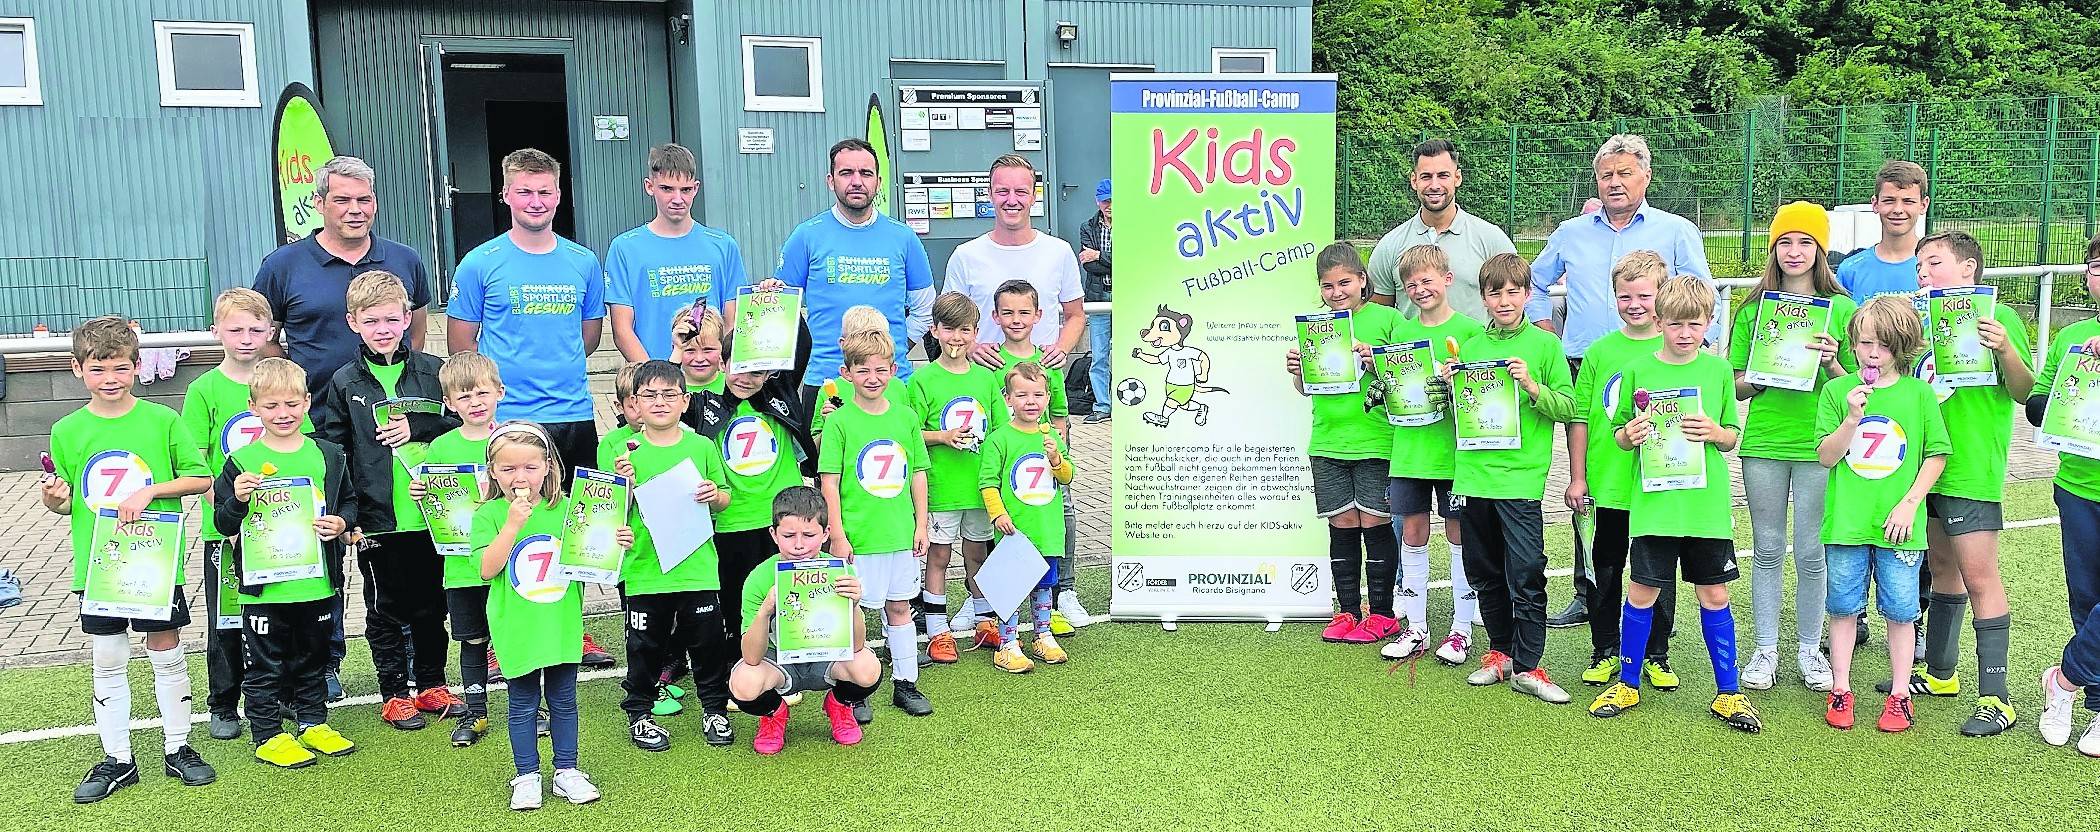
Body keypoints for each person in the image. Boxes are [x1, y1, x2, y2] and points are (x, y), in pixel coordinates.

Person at [1526, 134, 1713, 627]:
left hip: (1659, 368)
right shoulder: (1570, 231)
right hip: (1588, 366)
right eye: (1606, 174)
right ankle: (1588, 591)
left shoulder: (1676, 231)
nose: (1615, 182)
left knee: (1653, 483)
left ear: (1645, 177)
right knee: (1589, 487)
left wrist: (1692, 354)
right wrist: (1545, 324)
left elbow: (1703, 294)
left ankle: (1656, 606)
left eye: (1625, 173)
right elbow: (1534, 281)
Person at [43, 316, 214, 802]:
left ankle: (178, 747)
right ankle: (118, 759)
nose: (110, 378)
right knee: (108, 656)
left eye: (120, 367)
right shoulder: (66, 429)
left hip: (155, 562)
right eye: (98, 369)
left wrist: (151, 490)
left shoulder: (163, 420)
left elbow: (200, 479)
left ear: (137, 367)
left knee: (166, 650)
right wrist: (53, 498)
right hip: (100, 564)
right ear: (78, 370)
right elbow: (68, 501)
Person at [1588, 274, 1760, 733]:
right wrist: (1632, 434)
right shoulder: (1640, 370)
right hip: (1655, 507)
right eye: (1676, 324)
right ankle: (1627, 682)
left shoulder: (1718, 371)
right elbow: (1621, 433)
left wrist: (1715, 432)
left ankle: (1729, 692)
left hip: (1704, 508)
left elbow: (1730, 437)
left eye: (1696, 324)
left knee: (1715, 594)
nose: (1685, 333)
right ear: (1660, 321)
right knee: (1642, 592)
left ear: (1709, 322)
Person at [313, 270, 464, 733]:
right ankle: (394, 691)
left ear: (407, 318)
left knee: (432, 604)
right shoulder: (343, 381)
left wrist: (417, 428)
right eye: (372, 320)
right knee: (384, 607)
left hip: (434, 515)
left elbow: (461, 423)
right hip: (379, 520)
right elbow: (333, 450)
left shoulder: (434, 372)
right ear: (353, 322)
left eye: (392, 319)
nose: (384, 328)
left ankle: (432, 683)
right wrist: (349, 514)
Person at [1905, 230, 2034, 736]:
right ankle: (1940, 673)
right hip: (1925, 466)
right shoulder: (1919, 323)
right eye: (1919, 266)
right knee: (1940, 567)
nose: (1923, 273)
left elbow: (2024, 392)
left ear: (1968, 270)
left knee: (1980, 576)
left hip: (1972, 466)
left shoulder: (1998, 320)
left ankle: (1997, 698)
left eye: (1933, 262)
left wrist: (2004, 351)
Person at [1729, 203, 1855, 693]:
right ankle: (1765, 649)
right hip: (1763, 443)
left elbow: (1857, 387)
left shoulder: (1841, 310)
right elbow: (1736, 386)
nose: (1795, 252)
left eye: (1805, 243)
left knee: (1810, 551)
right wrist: (1760, 374)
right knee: (1765, 549)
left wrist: (1830, 362)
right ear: (1773, 249)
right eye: (1785, 242)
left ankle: (1809, 648)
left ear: (1820, 250)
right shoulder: (1752, 311)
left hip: (1819, 446)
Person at [1814, 295, 1949, 732]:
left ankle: (1899, 694)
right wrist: (1852, 418)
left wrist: (1910, 503)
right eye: (1865, 343)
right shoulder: (1837, 392)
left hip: (1900, 527)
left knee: (1901, 611)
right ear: (1852, 342)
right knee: (1842, 608)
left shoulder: (1919, 394)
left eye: (1885, 345)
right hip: (1848, 524)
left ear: (1903, 347)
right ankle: (1840, 687)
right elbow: (1826, 457)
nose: (1873, 354)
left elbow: (1936, 455)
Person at [212, 357, 356, 767]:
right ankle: (268, 733)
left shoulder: (327, 454)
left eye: (292, 404)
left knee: (313, 657)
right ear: (253, 406)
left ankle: (313, 722)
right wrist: (238, 498)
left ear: (307, 402)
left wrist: (342, 522)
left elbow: (348, 501)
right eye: (272, 406)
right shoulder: (240, 462)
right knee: (266, 664)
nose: (283, 414)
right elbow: (222, 523)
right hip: (264, 589)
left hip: (317, 582)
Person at [1448, 253, 1577, 704]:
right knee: (1482, 572)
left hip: (1519, 481)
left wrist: (1533, 387)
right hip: (1472, 478)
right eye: (1494, 292)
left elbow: (1570, 407)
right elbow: (1458, 412)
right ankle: (1499, 654)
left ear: (1527, 293)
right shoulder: (1469, 347)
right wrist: (1447, 387)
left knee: (1525, 572)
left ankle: (1530, 665)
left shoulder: (1545, 347)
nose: (1504, 300)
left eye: (1512, 291)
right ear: (1483, 297)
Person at [476, 422, 620, 810]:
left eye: (529, 467)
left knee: (564, 700)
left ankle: (566, 771)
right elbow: (487, 569)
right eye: (508, 469)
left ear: (548, 467)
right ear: (493, 471)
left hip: (561, 622)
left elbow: (598, 559)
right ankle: (526, 775)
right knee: (522, 703)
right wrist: (512, 525)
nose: (519, 477)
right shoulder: (488, 515)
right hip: (517, 626)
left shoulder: (568, 508)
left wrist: (616, 540)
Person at [447, 148, 608, 483]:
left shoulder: (585, 261)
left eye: (544, 192)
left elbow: (589, 338)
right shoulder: (479, 263)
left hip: (573, 413)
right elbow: (461, 347)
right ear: (506, 195)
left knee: (573, 522)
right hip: (508, 418)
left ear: (558, 195)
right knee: (515, 521)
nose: (536, 202)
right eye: (524, 192)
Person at [604, 360, 735, 752]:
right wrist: (621, 488)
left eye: (668, 394)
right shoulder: (620, 451)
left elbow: (725, 498)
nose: (659, 402)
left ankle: (714, 709)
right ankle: (640, 714)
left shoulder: (701, 446)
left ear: (684, 400)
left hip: (696, 568)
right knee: (644, 646)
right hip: (646, 569)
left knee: (708, 644)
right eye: (650, 395)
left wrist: (716, 495)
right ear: (634, 404)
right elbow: (605, 511)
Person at [1567, 251, 1679, 690]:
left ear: (1662, 295)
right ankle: (1605, 649)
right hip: (1608, 484)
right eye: (1624, 295)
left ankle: (1657, 653)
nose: (1635, 304)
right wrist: (1578, 476)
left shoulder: (1674, 349)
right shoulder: (1598, 353)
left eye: (1645, 295)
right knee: (1606, 567)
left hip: (1658, 486)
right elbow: (1579, 418)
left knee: (1655, 571)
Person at [764, 138, 935, 416]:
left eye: (865, 173)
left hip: (892, 382)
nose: (857, 181)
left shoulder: (903, 237)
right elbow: (782, 309)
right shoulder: (807, 235)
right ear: (830, 181)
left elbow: (925, 307)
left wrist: (898, 347)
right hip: (826, 383)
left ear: (878, 182)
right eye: (846, 173)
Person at [1282, 245, 1401, 645]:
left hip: (1375, 440)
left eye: (1344, 283)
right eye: (1327, 286)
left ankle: (1383, 613)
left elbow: (1406, 377)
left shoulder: (1387, 320)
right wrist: (1298, 373)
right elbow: (1304, 390)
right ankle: (1348, 609)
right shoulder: (1316, 326)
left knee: (1376, 522)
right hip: (1327, 441)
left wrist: (1375, 359)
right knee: (1342, 523)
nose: (1336, 292)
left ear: (1363, 280)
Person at [180, 287, 282, 741]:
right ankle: (223, 702)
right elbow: (198, 465)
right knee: (226, 618)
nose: (246, 338)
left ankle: (280, 694)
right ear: (215, 330)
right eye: (235, 329)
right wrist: (226, 516)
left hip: (279, 527)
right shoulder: (204, 390)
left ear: (271, 332)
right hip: (226, 531)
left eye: (256, 329)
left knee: (276, 615)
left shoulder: (282, 380)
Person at [818, 330, 934, 718]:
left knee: (900, 608)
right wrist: (837, 531)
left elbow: (918, 473)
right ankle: (856, 689)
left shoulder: (905, 418)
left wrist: (921, 524)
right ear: (846, 372)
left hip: (898, 534)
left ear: (893, 371)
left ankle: (906, 683)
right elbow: (829, 481)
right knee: (855, 612)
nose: (872, 377)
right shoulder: (839, 422)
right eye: (862, 369)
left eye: (880, 369)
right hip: (858, 538)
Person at [1377, 245, 1483, 664]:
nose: (1420, 289)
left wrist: (1457, 382)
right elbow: (1393, 389)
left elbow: (1480, 398)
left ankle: (1461, 629)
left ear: (1447, 279)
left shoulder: (1472, 332)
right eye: (1411, 284)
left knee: (1459, 537)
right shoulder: (1400, 334)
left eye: (1427, 280)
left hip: (1455, 455)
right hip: (1409, 453)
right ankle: (1416, 628)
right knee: (1412, 535)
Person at [253, 155, 433, 390]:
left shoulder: (406, 260)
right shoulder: (281, 266)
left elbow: (416, 334)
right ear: (319, 203)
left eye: (364, 199)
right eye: (342, 200)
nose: (355, 210)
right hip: (316, 416)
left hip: (393, 416)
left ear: (375, 203)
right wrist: (295, 386)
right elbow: (264, 340)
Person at [731, 486, 885, 756]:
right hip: (779, 663)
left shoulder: (839, 571)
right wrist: (766, 609)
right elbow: (750, 657)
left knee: (867, 667)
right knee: (743, 682)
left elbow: (857, 645)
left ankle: (839, 704)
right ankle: (773, 714)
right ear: (774, 535)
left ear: (826, 534)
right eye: (789, 535)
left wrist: (854, 604)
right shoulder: (759, 577)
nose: (799, 545)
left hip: (826, 658)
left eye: (809, 535)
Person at [692, 333, 818, 645]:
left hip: (784, 520)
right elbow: (663, 391)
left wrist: (772, 311)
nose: (748, 379)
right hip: (734, 521)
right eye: (741, 367)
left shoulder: (780, 393)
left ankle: (790, 672)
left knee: (793, 602)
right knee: (738, 605)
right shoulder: (704, 400)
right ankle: (743, 670)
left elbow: (800, 343)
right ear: (723, 363)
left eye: (758, 372)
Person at [411, 351, 505, 744]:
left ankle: (531, 706)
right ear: (449, 403)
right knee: (472, 638)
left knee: (515, 635)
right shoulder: (442, 448)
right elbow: (437, 505)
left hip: (507, 564)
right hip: (463, 566)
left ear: (499, 391)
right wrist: (422, 494)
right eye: (464, 397)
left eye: (482, 392)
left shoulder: (514, 439)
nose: (475, 402)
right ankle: (476, 713)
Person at [910, 292, 1006, 663]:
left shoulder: (986, 380)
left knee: (977, 555)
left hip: (978, 488)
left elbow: (999, 432)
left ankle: (985, 620)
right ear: (934, 330)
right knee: (938, 557)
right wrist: (943, 437)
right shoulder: (922, 380)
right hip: (941, 488)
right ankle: (937, 630)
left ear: (976, 332)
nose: (956, 338)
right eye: (948, 329)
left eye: (965, 330)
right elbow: (909, 433)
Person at [989, 280, 1089, 630]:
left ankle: (1063, 593)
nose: (1016, 320)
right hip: (1008, 455)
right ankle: (997, 607)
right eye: (1008, 312)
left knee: (1061, 514)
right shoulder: (992, 362)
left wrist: (1058, 447)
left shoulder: (1049, 362)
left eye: (1024, 312)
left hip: (1046, 457)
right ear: (996, 316)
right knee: (1007, 521)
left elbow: (1059, 411)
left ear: (1038, 315)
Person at [2033, 235, 2100, 756]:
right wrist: (2078, 379)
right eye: (2096, 266)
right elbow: (2036, 407)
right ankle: (2096, 706)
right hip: (2078, 486)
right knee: (2087, 598)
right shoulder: (2072, 336)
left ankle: (2065, 681)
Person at [978, 362, 1078, 672]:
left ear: (1048, 397)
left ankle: (1042, 635)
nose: (1030, 402)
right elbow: (987, 482)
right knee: (1013, 587)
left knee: (1044, 585)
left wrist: (1056, 458)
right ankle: (1007, 644)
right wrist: (998, 514)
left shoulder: (1051, 437)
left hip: (1046, 528)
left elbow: (1066, 476)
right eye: (1022, 395)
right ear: (1008, 399)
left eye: (1037, 394)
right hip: (1015, 532)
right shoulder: (999, 439)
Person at [946, 155, 1086, 372]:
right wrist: (972, 348)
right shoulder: (965, 256)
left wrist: (1061, 349)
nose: (1012, 200)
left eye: (1020, 192)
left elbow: (1075, 315)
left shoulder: (1059, 252)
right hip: (983, 381)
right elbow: (949, 321)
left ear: (1033, 197)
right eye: (1003, 191)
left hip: (1038, 386)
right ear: (990, 195)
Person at [607, 144, 745, 362]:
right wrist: (655, 378)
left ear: (696, 188)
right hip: (654, 385)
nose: (678, 198)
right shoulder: (625, 248)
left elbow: (732, 322)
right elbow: (622, 330)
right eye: (667, 189)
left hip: (711, 379)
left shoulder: (723, 246)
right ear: (649, 186)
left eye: (686, 190)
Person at [1367, 139, 1518, 322]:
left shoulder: (1491, 240)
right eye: (1426, 176)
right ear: (1414, 180)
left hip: (1475, 351)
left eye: (1443, 175)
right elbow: (1379, 319)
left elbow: (1515, 307)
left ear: (1457, 178)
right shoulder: (1389, 246)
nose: (1435, 185)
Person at [1836, 161, 1930, 300]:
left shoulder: (1937, 269)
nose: (1898, 210)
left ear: (1923, 205)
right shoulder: (1850, 270)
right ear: (1875, 204)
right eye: (1889, 201)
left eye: (1908, 201)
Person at [1079, 178, 1114, 423]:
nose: (1110, 205)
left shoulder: (1134, 225)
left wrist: (1100, 255)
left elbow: (1135, 258)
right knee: (1099, 355)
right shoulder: (1087, 227)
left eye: (1114, 200)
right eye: (1106, 201)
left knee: (1129, 354)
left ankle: (1127, 402)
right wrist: (1111, 260)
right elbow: (1088, 265)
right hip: (1098, 296)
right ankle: (1102, 405)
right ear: (1097, 201)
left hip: (1127, 296)